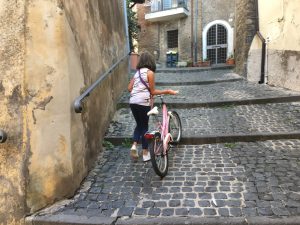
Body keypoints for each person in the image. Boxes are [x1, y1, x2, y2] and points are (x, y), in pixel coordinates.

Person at [128, 51, 178, 162]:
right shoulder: (150, 73)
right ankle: (145, 153)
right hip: (143, 102)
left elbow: (129, 88)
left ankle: (134, 145)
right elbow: (153, 91)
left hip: (133, 102)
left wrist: (138, 90)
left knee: (139, 124)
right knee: (144, 126)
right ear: (151, 61)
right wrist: (168, 91)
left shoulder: (137, 73)